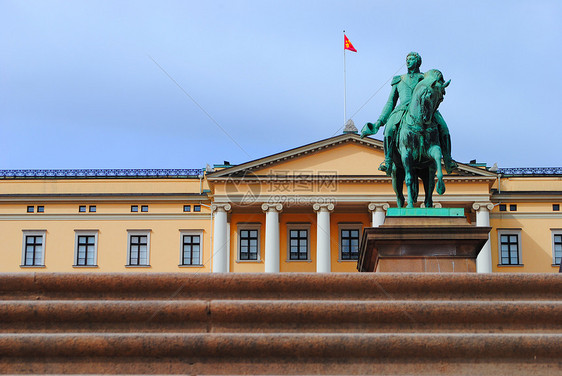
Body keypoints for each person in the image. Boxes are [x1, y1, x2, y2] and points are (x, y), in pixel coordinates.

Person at [361, 52, 457, 175]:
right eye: (407, 59)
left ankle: (448, 160)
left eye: (411, 59)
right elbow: (390, 102)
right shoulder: (398, 80)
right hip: (401, 109)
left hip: (425, 108)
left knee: (444, 128)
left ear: (417, 62)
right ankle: (388, 161)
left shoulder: (425, 78)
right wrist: (379, 121)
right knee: (389, 129)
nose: (408, 61)